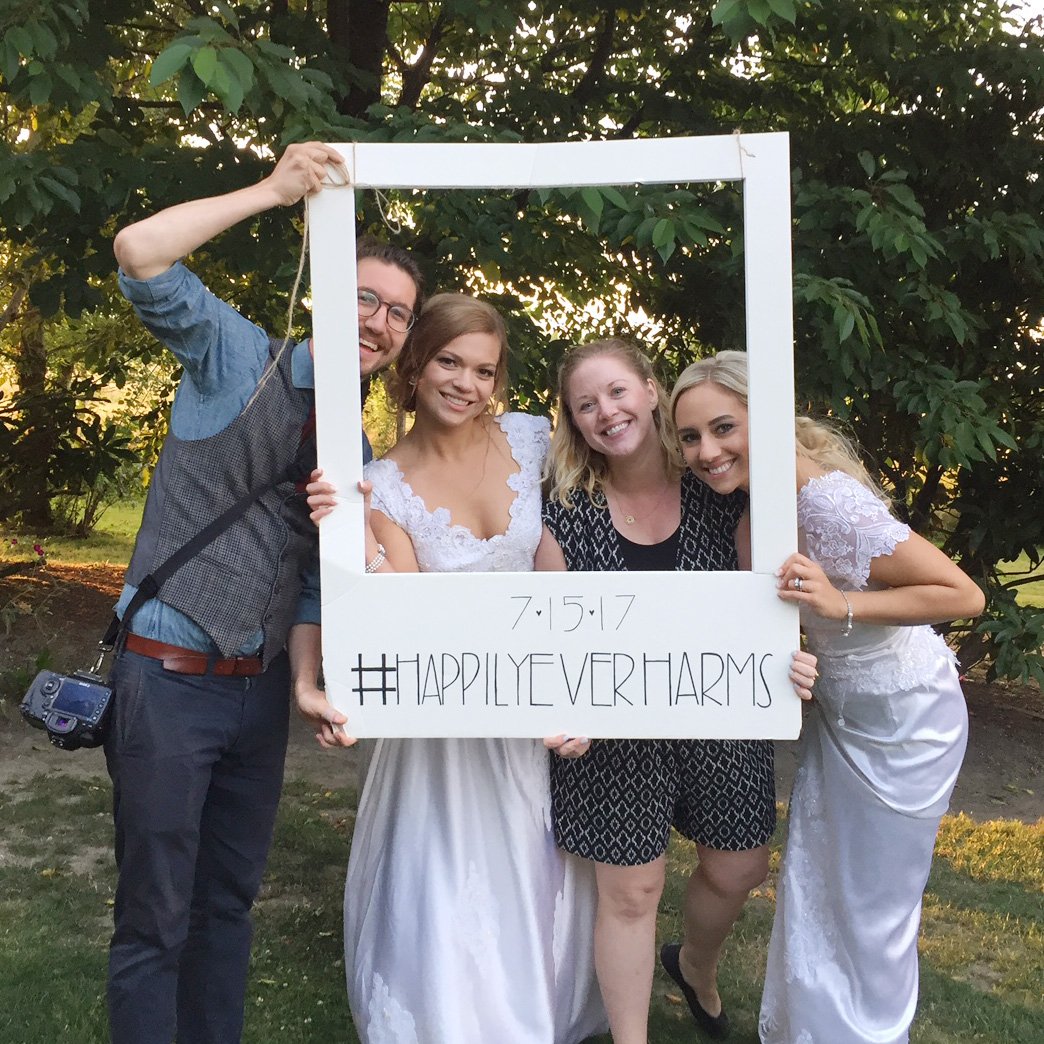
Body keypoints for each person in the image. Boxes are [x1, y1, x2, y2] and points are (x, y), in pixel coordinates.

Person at [106, 142, 423, 1044]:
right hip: (166, 678)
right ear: (326, 289)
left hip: (255, 697)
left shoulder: (357, 448)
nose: (379, 321)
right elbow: (140, 251)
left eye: (397, 313)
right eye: (363, 296)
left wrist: (306, 680)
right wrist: (273, 190)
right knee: (155, 916)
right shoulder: (236, 353)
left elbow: (324, 582)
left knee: (228, 909)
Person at [300, 293, 606, 1043]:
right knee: (450, 864)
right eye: (448, 362)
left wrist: (576, 680)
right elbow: (402, 613)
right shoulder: (382, 483)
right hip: (444, 716)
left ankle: (534, 1003)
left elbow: (575, 543)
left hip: (533, 695)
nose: (465, 383)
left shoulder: (533, 441)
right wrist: (356, 542)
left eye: (483, 369)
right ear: (416, 365)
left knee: (535, 864)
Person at [669, 350, 985, 1044]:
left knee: (874, 906)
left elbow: (963, 593)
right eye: (690, 437)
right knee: (820, 886)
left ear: (766, 418)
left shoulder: (824, 499)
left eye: (724, 428)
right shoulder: (756, 499)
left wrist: (840, 604)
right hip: (842, 713)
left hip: (908, 719)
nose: (706, 451)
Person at [536, 337, 817, 1044]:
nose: (606, 412)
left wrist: (792, 654)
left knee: (741, 864)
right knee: (630, 892)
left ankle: (693, 964)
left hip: (718, 710)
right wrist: (561, 707)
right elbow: (547, 625)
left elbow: (773, 602)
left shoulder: (719, 484)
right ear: (574, 423)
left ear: (652, 390)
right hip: (610, 731)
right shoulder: (562, 507)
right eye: (586, 405)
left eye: (618, 392)